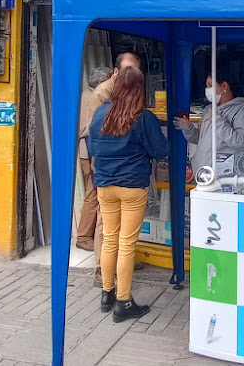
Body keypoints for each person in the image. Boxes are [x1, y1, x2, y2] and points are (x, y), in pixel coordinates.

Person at [88, 66, 169, 322]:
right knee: (126, 244)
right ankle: (124, 302)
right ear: (139, 89)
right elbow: (160, 150)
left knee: (110, 239)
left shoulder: (100, 113)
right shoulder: (143, 117)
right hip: (132, 186)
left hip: (104, 185)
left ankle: (107, 294)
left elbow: (92, 146)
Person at [80, 52, 143, 286]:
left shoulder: (126, 90)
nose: (132, 75)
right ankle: (101, 269)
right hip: (104, 165)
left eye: (136, 71)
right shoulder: (103, 93)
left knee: (117, 225)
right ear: (116, 72)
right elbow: (93, 132)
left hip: (115, 167)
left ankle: (119, 263)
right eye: (128, 71)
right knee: (104, 222)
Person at [173, 66, 244, 175]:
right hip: (204, 174)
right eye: (207, 86)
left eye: (211, 85)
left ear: (224, 86)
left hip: (224, 175)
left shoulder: (241, 109)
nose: (208, 90)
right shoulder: (209, 109)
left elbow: (239, 143)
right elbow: (199, 139)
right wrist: (188, 128)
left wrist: (217, 121)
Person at [76, 66, 112, 252]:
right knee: (93, 195)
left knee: (94, 194)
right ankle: (83, 237)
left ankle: (86, 235)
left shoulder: (85, 95)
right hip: (90, 152)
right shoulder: (94, 98)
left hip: (87, 150)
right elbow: (89, 129)